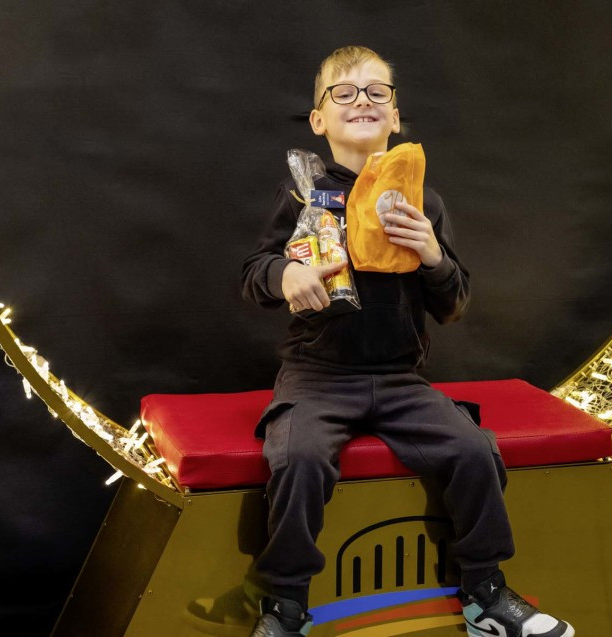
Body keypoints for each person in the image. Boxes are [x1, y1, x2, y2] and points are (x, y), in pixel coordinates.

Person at [241, 45, 574, 637]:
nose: (362, 101)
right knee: (297, 459)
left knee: (474, 451)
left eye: (377, 92)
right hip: (318, 377)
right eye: (344, 93)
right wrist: (285, 274)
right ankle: (286, 603)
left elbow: (453, 304)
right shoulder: (303, 193)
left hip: (400, 380)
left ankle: (485, 595)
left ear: (395, 116)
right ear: (318, 119)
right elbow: (254, 273)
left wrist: (432, 256)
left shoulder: (423, 203)